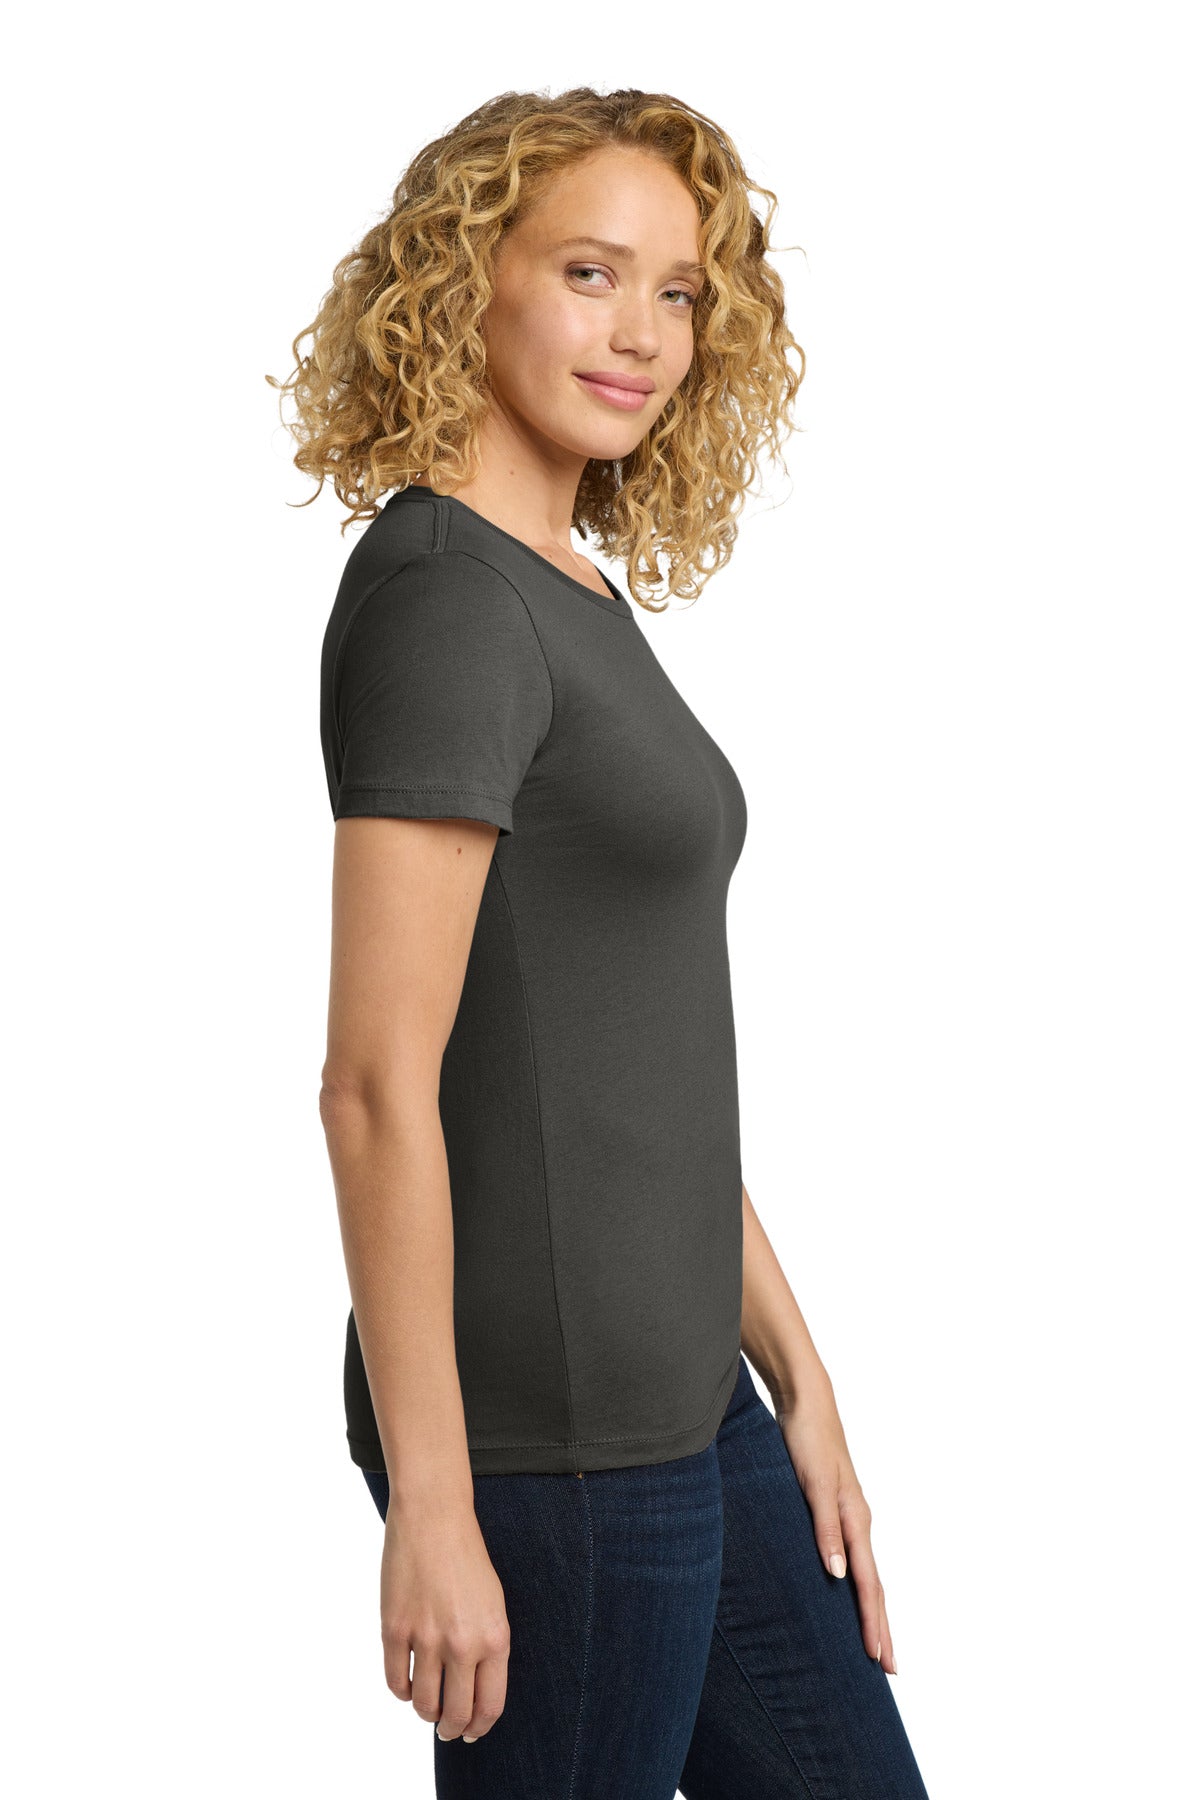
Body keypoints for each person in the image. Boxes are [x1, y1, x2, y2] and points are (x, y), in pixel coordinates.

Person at [271, 85, 930, 1800]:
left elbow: (627, 1076)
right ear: (466, 277)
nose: (642, 332)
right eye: (589, 272)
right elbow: (373, 1086)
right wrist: (433, 1499)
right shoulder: (450, 602)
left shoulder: (562, 586)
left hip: (687, 1407)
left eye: (679, 292)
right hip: (546, 1447)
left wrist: (799, 1377)